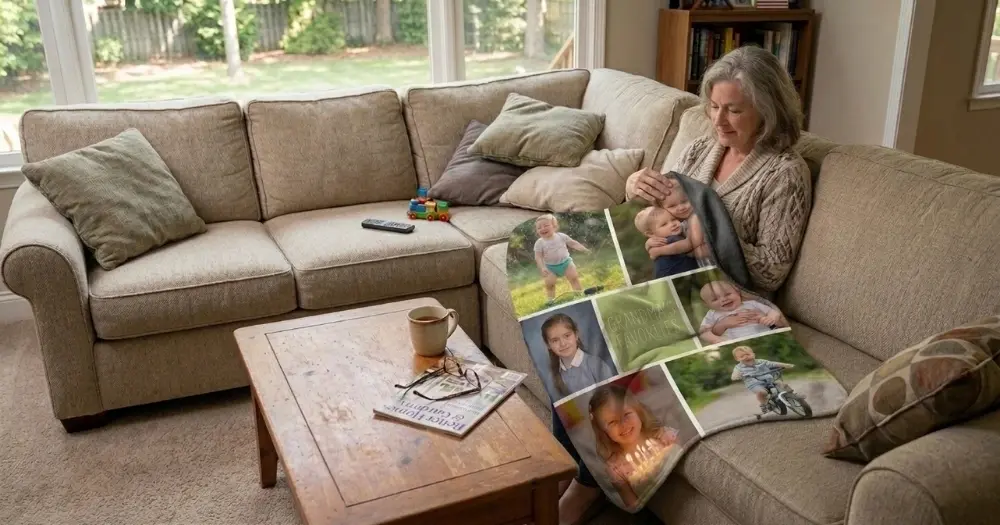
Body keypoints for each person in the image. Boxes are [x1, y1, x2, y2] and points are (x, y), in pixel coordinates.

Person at [624, 45, 812, 294]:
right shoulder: (699, 149)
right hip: (673, 280)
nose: (718, 120)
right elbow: (661, 207)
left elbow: (770, 273)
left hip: (726, 297)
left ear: (768, 112)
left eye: (733, 110)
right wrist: (634, 189)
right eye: (714, 106)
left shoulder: (785, 173)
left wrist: (708, 229)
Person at [588, 383, 679, 510]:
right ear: (603, 432)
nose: (623, 425)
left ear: (638, 411)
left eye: (626, 414)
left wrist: (673, 441)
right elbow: (633, 505)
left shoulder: (662, 436)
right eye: (612, 422)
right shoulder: (616, 468)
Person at [540, 313, 617, 400]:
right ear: (548, 345)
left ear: (576, 335)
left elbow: (613, 395)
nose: (563, 343)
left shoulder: (596, 364)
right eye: (555, 340)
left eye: (567, 336)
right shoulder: (553, 376)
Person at [697, 279, 788, 344]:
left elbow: (774, 312)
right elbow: (703, 332)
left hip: (765, 337)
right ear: (707, 305)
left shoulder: (752, 304)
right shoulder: (712, 314)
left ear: (737, 292)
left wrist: (770, 318)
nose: (724, 299)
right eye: (715, 299)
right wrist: (716, 339)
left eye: (728, 294)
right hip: (737, 343)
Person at [533, 214, 590, 306]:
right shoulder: (539, 243)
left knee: (574, 278)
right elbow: (538, 257)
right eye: (539, 227)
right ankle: (551, 300)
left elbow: (573, 243)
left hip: (566, 263)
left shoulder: (561, 236)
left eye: (546, 225)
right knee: (550, 284)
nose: (542, 228)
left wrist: (584, 249)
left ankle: (579, 294)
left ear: (554, 226)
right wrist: (542, 267)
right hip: (550, 267)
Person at [633, 206, 699, 278]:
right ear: (651, 234)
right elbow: (689, 245)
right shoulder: (670, 240)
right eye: (664, 224)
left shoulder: (659, 242)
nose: (673, 224)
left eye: (673, 219)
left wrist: (655, 250)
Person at [730, 345, 796, 414]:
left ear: (753, 354)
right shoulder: (738, 367)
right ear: (737, 359)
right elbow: (735, 374)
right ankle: (764, 405)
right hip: (754, 383)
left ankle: (793, 396)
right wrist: (736, 376)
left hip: (769, 379)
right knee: (761, 392)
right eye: (742, 356)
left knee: (781, 383)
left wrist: (786, 365)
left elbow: (773, 364)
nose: (746, 357)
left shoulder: (761, 361)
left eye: (748, 354)